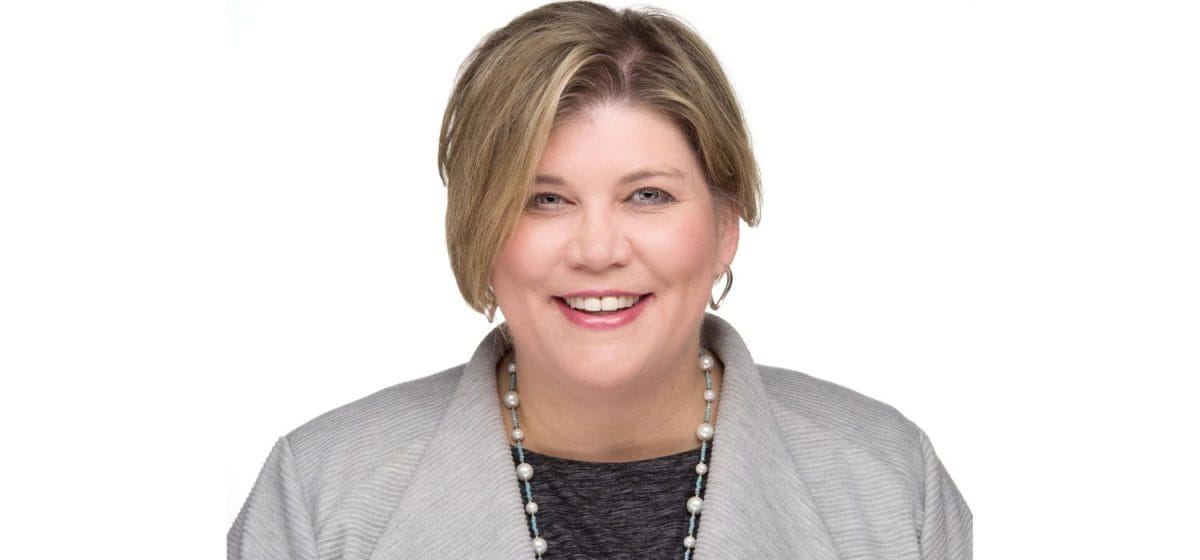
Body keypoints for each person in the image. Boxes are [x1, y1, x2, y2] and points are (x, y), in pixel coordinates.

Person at [228, 2, 972, 558]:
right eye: (544, 200)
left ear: (725, 226)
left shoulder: (888, 482)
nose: (597, 249)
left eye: (648, 195)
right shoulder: (321, 495)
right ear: (481, 228)